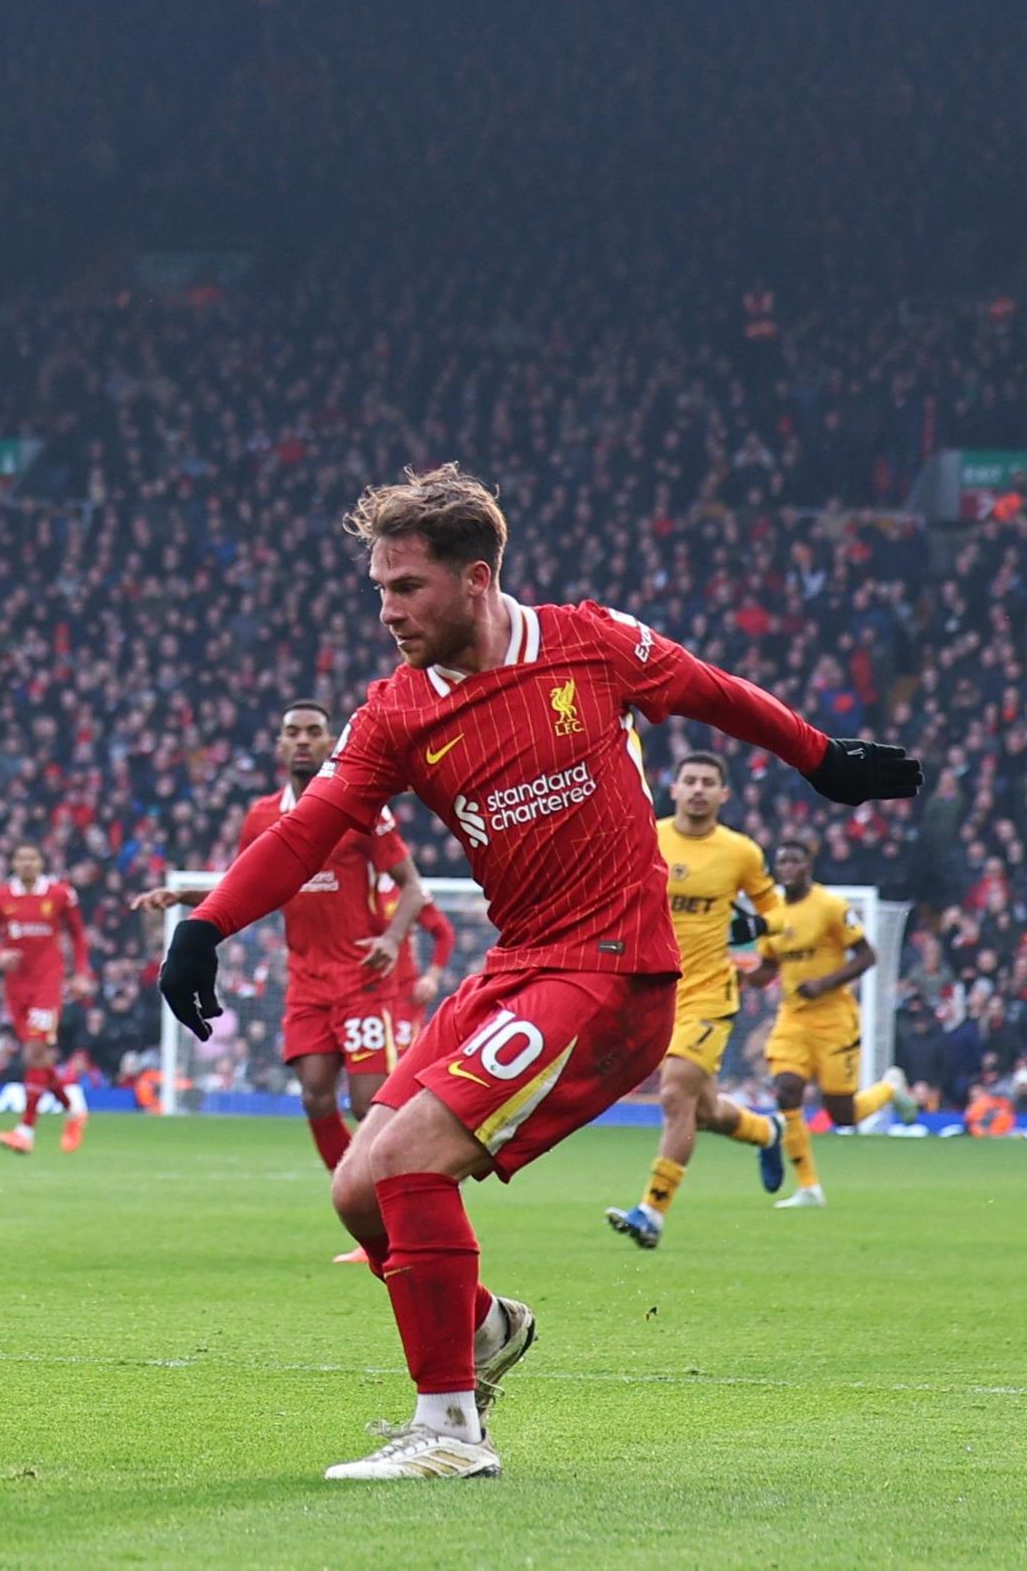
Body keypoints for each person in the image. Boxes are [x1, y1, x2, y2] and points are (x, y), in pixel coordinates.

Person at [156, 465, 918, 1481]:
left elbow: (712, 691)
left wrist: (820, 757)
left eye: (406, 587)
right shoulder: (392, 714)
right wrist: (208, 924)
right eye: (378, 588)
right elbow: (310, 833)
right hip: (517, 961)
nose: (386, 611)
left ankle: (449, 1430)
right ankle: (487, 1327)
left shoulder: (588, 643)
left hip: (612, 970)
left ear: (475, 578)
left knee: (410, 1161)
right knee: (357, 1190)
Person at [138, 701, 433, 1189]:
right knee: (315, 1097)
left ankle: (398, 1196)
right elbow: (247, 886)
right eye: (291, 731)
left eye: (313, 731)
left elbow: (413, 887)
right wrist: (184, 897)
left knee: (368, 1106)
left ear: (329, 742)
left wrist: (392, 935)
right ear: (278, 746)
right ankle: (359, 1204)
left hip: (361, 980)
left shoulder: (362, 808)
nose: (301, 740)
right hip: (305, 983)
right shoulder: (260, 817)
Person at [605, 755, 788, 1247]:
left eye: (710, 782)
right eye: (690, 781)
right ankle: (764, 1131)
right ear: (675, 787)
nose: (699, 790)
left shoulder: (740, 852)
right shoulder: (650, 836)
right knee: (701, 1111)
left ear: (724, 794)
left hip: (710, 992)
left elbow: (775, 912)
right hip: (656, 988)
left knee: (674, 1091)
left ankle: (651, 1213)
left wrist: (761, 942)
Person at [750, 842, 907, 1208]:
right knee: (786, 1089)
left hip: (835, 1020)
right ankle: (808, 1187)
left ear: (808, 865)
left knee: (842, 1114)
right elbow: (769, 968)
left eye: (794, 860)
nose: (787, 867)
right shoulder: (772, 916)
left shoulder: (831, 907)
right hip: (793, 1019)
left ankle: (889, 1088)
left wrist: (824, 983)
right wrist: (741, 974)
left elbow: (868, 954)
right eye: (781, 862)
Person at [0, 841, 93, 1154]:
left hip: (48, 980)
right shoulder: (0, 896)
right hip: (16, 985)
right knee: (39, 1057)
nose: (27, 863)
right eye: (21, 857)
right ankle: (74, 1111)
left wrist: (82, 972)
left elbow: (78, 935)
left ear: (41, 862)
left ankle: (25, 1131)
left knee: (33, 1051)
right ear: (14, 863)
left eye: (32, 857)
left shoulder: (59, 894)